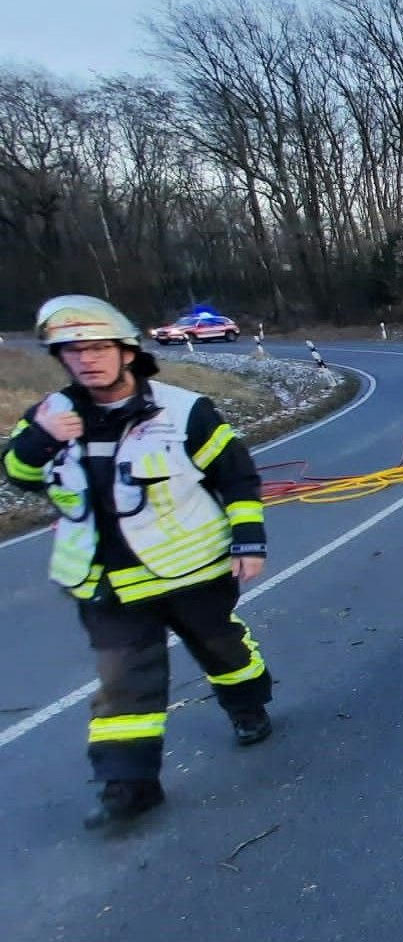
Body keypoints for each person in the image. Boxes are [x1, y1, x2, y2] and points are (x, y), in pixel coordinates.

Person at [3, 296, 274, 830]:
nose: (87, 359)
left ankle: (248, 706)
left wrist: (248, 542)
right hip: (106, 584)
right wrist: (40, 439)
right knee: (124, 683)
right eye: (73, 350)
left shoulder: (185, 411)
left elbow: (236, 478)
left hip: (193, 571)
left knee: (221, 649)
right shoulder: (49, 417)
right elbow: (18, 474)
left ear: (127, 351)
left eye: (99, 346)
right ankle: (129, 785)